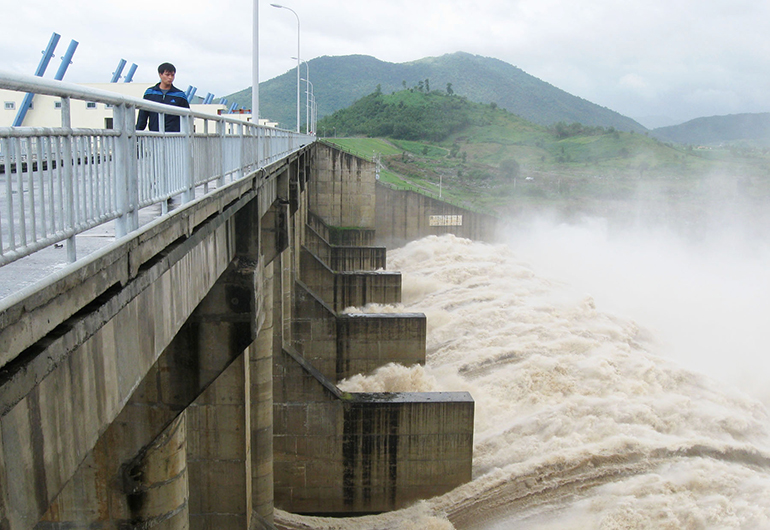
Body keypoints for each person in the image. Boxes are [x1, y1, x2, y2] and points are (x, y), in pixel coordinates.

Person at [135, 62, 190, 132]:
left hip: (174, 137)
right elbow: (142, 115)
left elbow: (187, 117)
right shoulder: (150, 93)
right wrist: (137, 133)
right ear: (160, 75)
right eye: (167, 75)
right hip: (155, 135)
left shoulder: (180, 95)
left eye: (172, 75)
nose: (170, 77)